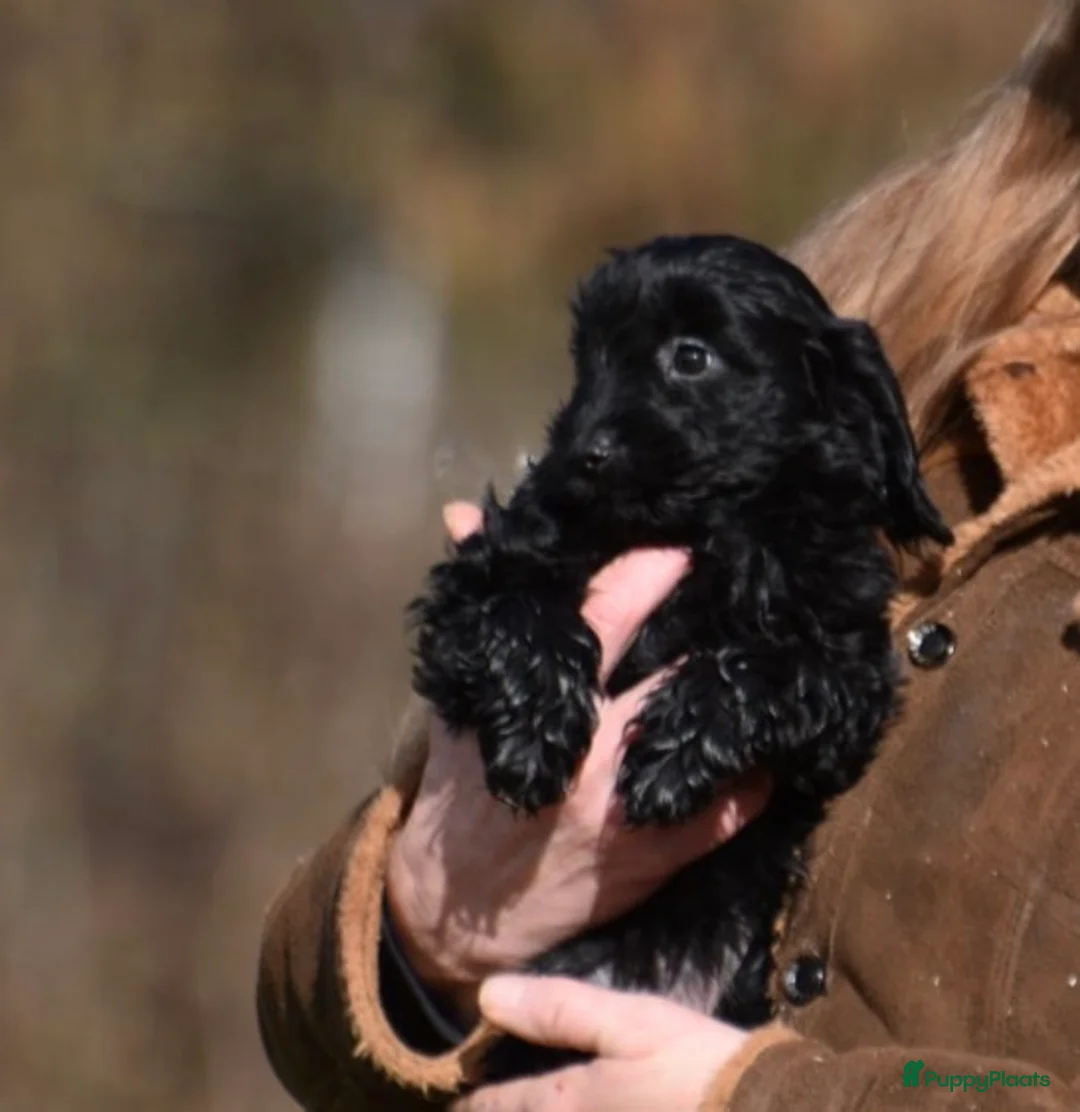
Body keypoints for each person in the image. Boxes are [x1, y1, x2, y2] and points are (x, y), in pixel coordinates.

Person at [257, 3, 1080, 1108]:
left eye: (685, 360)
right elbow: (316, 1009)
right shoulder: (916, 291)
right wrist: (432, 923)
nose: (600, 420)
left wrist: (760, 1095)